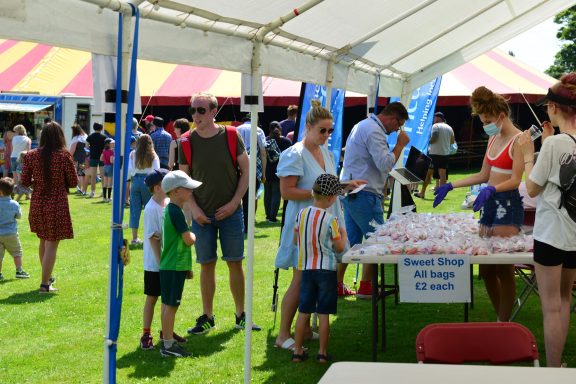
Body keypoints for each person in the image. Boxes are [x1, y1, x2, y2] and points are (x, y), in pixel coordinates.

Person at [433, 86, 525, 322]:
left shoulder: (520, 140)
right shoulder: (494, 138)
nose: (485, 124)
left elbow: (516, 179)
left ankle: (503, 323)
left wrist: (493, 188)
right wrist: (451, 185)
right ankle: (502, 318)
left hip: (507, 206)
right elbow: (484, 175)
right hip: (489, 204)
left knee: (503, 268)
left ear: (501, 116)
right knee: (485, 270)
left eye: (487, 120)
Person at [274, 100, 359, 350]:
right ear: (308, 126)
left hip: (327, 222)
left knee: (318, 277)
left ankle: (307, 327)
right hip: (306, 224)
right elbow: (287, 192)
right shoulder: (295, 153)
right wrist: (318, 194)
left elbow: (327, 188)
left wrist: (345, 187)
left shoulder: (328, 153)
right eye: (322, 130)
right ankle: (282, 335)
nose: (326, 135)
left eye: (330, 131)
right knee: (301, 279)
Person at [178, 92, 260, 334]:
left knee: (235, 262)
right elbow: (184, 180)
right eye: (192, 110)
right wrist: (195, 210)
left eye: (201, 110)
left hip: (231, 213)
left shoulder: (232, 135)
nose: (195, 115)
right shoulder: (185, 141)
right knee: (206, 264)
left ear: (214, 112)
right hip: (202, 215)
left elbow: (246, 171)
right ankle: (208, 316)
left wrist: (235, 203)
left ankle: (241, 314)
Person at [517, 73, 576, 367]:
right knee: (564, 301)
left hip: (552, 235)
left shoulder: (554, 146)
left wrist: (529, 155)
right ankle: (559, 366)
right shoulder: (558, 143)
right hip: (574, 236)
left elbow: (531, 188)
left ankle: (553, 369)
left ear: (554, 108)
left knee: (551, 307)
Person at [339, 102, 410, 298]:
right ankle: (365, 287)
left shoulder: (362, 125)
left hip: (353, 193)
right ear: (393, 118)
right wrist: (400, 145)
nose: (397, 130)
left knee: (351, 244)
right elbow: (385, 164)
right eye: (398, 125)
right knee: (376, 240)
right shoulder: (374, 131)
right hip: (365, 193)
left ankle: (336, 285)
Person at [291, 174, 348, 363]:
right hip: (326, 269)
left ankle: (297, 351)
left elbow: (295, 240)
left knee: (303, 311)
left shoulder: (301, 214)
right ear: (332, 198)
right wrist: (343, 234)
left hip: (306, 269)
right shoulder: (331, 219)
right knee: (323, 313)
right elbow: (339, 248)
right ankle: (322, 353)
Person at [20, 122, 77, 293]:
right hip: (57, 202)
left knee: (43, 239)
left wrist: (37, 183)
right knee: (52, 243)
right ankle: (45, 284)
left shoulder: (30, 155)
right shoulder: (63, 156)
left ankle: (47, 278)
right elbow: (73, 182)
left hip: (38, 201)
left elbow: (23, 181)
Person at [139, 168, 188, 350]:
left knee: (167, 299)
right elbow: (153, 239)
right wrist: (161, 264)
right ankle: (146, 333)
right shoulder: (151, 208)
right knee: (152, 297)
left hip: (167, 262)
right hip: (155, 264)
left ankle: (165, 331)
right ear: (158, 187)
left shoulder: (168, 204)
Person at [159, 170, 202, 357]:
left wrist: (187, 268)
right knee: (172, 305)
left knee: (168, 304)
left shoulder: (170, 208)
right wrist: (194, 234)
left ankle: (166, 339)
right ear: (176, 191)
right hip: (173, 266)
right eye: (187, 189)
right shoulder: (176, 212)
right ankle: (168, 346)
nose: (191, 192)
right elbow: (187, 240)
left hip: (172, 265)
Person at [236, 115, 267, 234]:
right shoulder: (258, 130)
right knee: (251, 197)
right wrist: (264, 172)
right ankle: (248, 226)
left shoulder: (237, 129)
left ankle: (241, 224)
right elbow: (263, 152)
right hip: (254, 167)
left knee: (239, 197)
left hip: (238, 167)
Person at [128, 135, 160, 245]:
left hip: (135, 181)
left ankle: (134, 238)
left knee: (134, 210)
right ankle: (149, 236)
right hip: (148, 181)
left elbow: (129, 170)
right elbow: (157, 170)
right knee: (149, 209)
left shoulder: (133, 154)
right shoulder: (153, 154)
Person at [415, 111, 455, 199]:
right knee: (443, 175)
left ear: (437, 118)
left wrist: (427, 141)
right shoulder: (449, 127)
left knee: (428, 174)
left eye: (434, 118)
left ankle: (422, 193)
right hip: (445, 154)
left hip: (434, 154)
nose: (433, 120)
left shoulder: (435, 126)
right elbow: (452, 141)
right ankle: (441, 195)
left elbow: (435, 137)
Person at [0, 177, 30, 280]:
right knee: (17, 252)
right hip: (10, 233)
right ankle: (19, 271)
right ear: (12, 190)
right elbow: (19, 216)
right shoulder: (14, 204)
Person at [264, 121, 292, 223]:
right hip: (280, 171)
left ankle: (268, 216)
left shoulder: (265, 141)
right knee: (276, 194)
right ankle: (272, 217)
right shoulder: (286, 141)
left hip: (266, 171)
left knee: (268, 194)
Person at [86, 122, 107, 198]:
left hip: (93, 157)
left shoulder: (90, 136)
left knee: (93, 175)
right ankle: (103, 192)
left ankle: (92, 192)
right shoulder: (104, 137)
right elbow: (106, 146)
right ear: (101, 128)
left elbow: (86, 145)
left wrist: (91, 148)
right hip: (102, 157)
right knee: (102, 175)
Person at [10, 125, 31, 190]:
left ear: (17, 131)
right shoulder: (28, 139)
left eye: (15, 131)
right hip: (22, 158)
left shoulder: (14, 138)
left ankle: (16, 190)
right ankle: (24, 191)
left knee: (14, 175)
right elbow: (28, 151)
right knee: (22, 175)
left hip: (13, 157)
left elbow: (12, 148)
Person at [69, 123, 88, 195]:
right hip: (85, 159)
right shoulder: (85, 136)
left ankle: (79, 189)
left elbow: (71, 151)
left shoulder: (76, 139)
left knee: (79, 174)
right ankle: (84, 189)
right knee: (84, 174)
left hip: (77, 159)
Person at [100, 138, 115, 203]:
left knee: (105, 183)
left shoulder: (104, 151)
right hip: (110, 167)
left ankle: (104, 197)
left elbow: (101, 159)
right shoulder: (111, 151)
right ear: (109, 144)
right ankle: (109, 198)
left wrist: (105, 160)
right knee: (110, 183)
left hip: (105, 166)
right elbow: (111, 161)